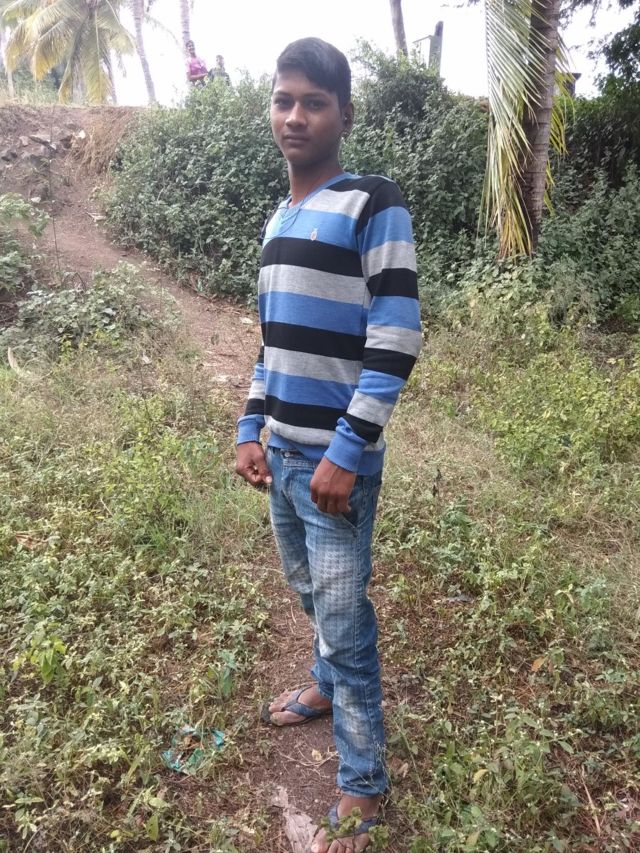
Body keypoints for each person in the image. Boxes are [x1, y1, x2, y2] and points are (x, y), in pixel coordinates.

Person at [235, 37, 421, 853]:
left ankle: (363, 781)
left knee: (345, 622)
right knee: (310, 591)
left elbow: (397, 335)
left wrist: (348, 449)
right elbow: (271, 342)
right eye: (284, 99)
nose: (295, 115)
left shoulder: (372, 202)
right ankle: (322, 684)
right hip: (282, 457)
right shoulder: (277, 219)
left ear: (344, 113)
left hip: (336, 466)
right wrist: (251, 425)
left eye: (314, 102)